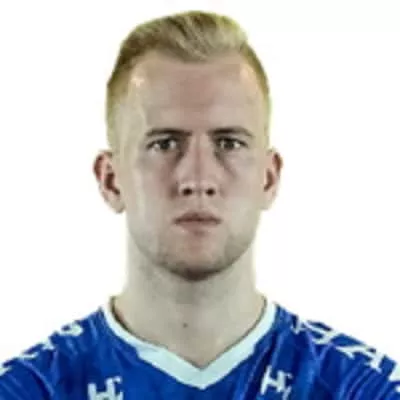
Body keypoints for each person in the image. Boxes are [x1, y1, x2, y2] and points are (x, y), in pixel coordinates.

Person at [0, 10, 399, 400]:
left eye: (229, 143)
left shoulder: (363, 389)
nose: (198, 178)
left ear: (269, 177)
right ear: (110, 179)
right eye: (164, 144)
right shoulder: (27, 389)